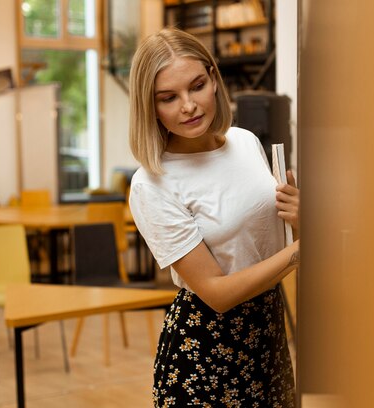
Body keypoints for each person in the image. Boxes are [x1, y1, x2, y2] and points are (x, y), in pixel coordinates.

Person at [128, 27, 300, 408]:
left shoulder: (245, 142)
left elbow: (278, 236)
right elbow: (217, 294)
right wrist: (304, 250)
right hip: (205, 350)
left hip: (268, 329)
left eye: (197, 86)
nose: (188, 106)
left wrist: (302, 220)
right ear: (149, 107)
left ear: (213, 78)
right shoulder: (152, 184)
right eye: (168, 98)